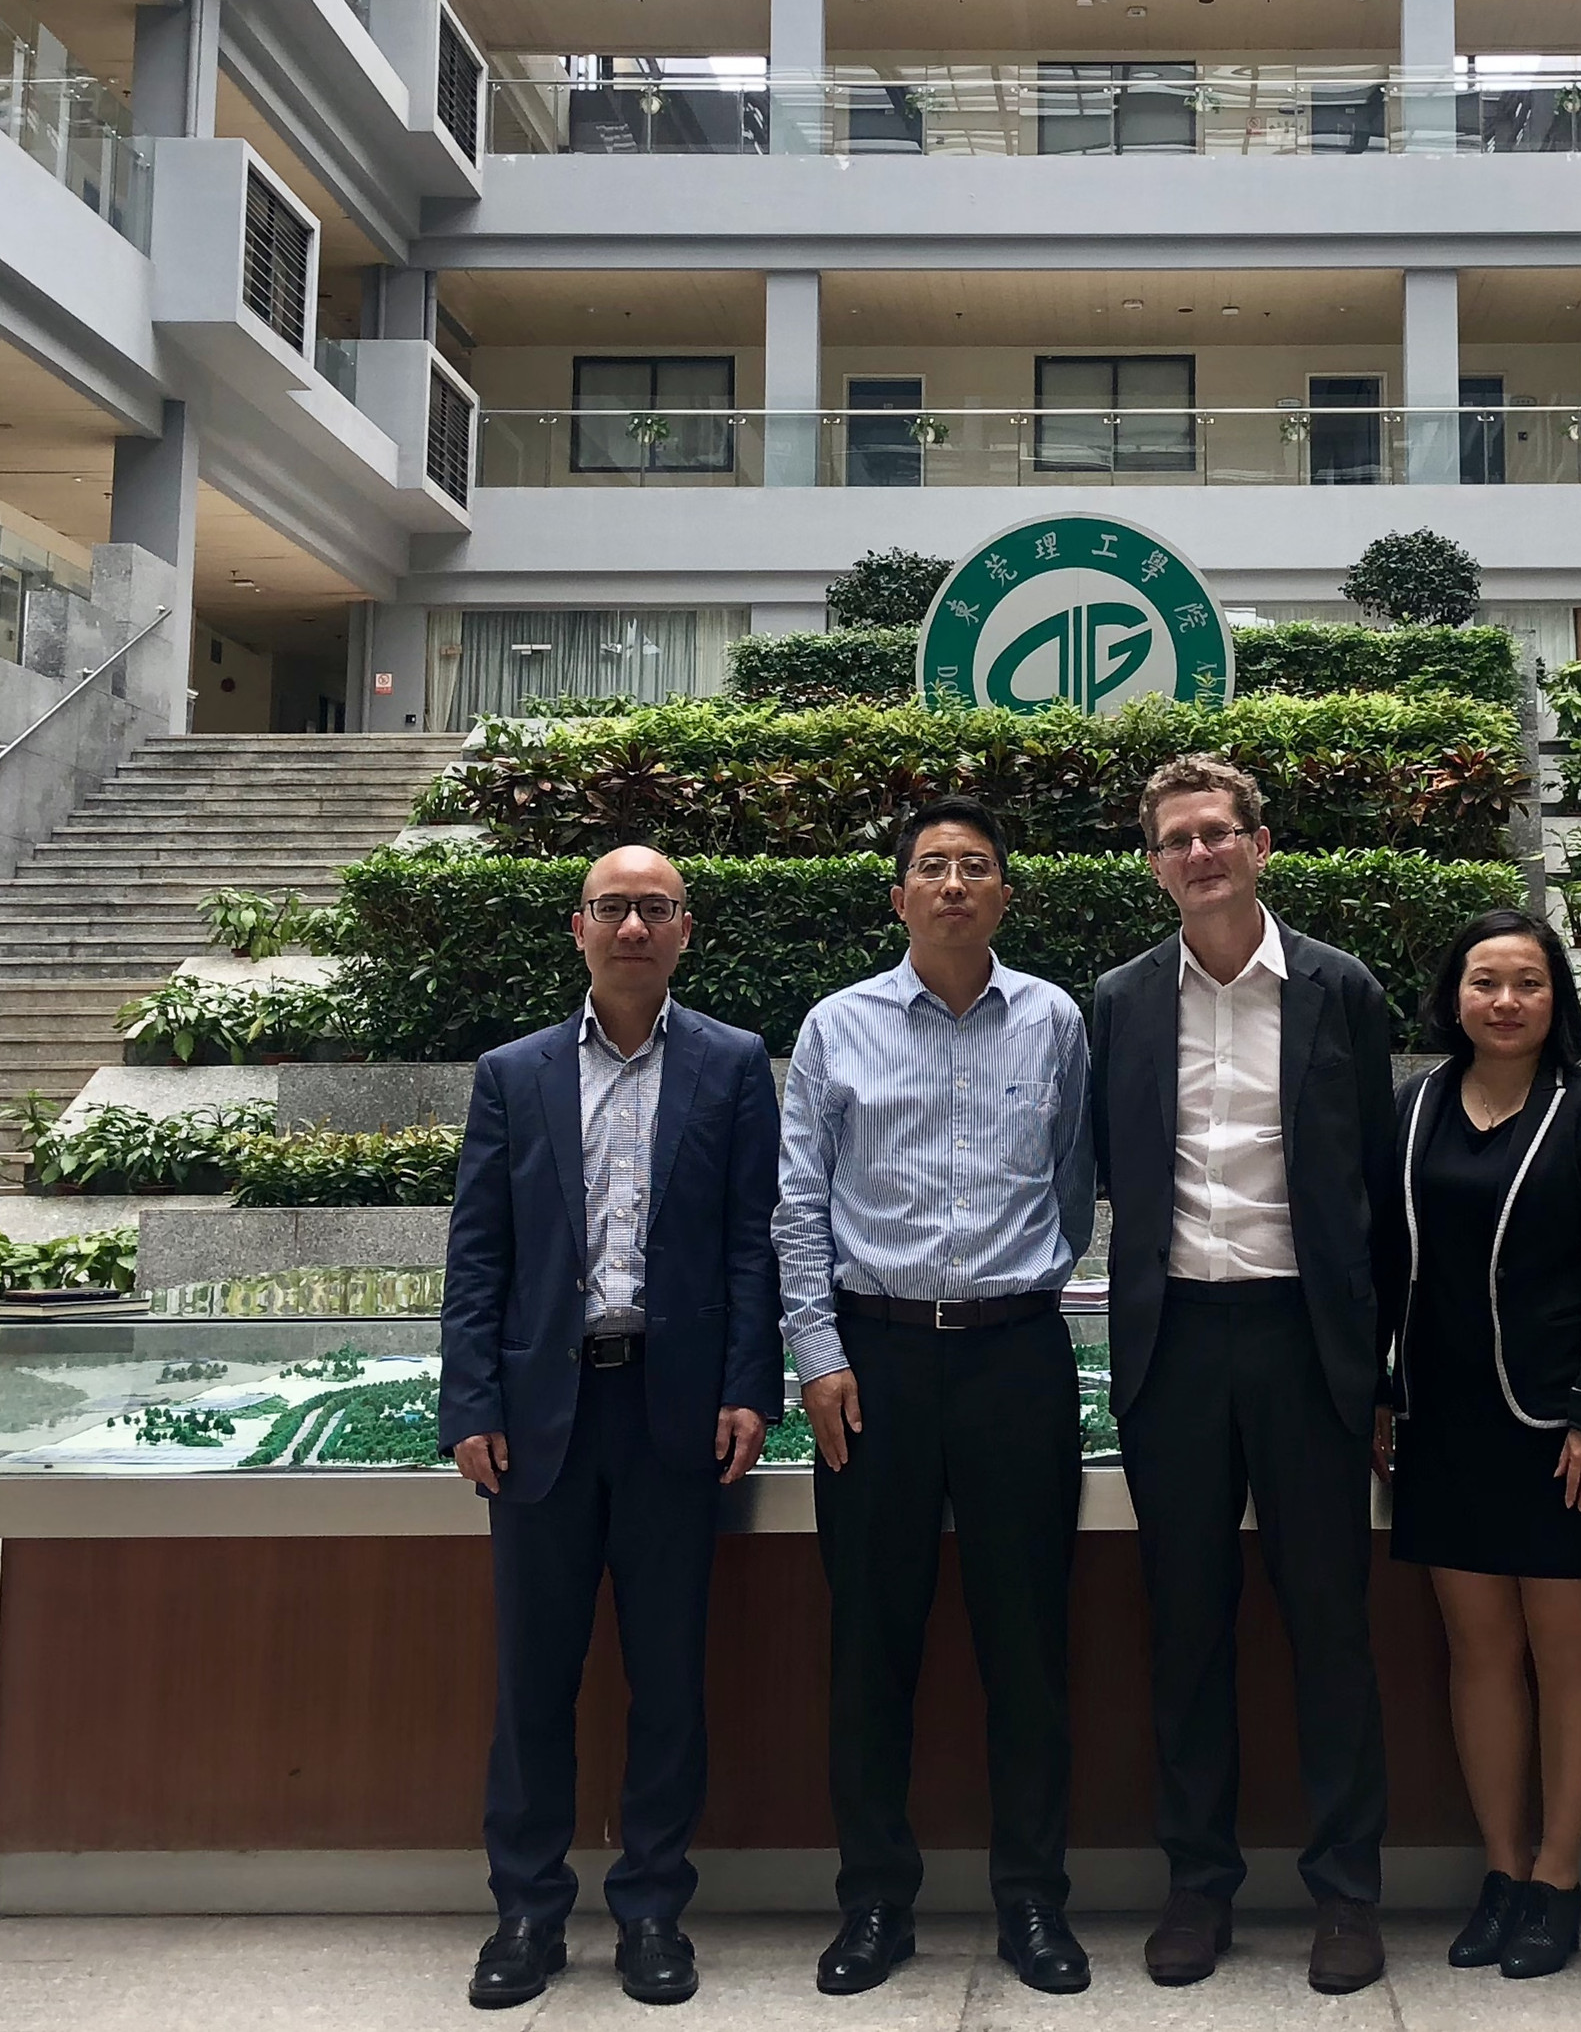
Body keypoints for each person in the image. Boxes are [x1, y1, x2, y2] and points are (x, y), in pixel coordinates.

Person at [439, 845, 784, 2011]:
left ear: (686, 927)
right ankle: (526, 1911)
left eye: (654, 907)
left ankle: (651, 1909)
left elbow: (752, 1241)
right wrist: (470, 1399)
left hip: (673, 1412)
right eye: (612, 907)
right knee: (532, 1678)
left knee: (668, 1675)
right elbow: (478, 1250)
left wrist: (750, 1385)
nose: (632, 925)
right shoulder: (513, 1072)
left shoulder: (732, 1064)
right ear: (578, 925)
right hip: (542, 1416)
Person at [775, 795, 1098, 1998]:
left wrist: (1021, 1289)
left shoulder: (1054, 1018)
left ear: (1005, 892)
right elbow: (797, 1203)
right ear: (899, 894)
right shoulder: (836, 1024)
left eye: (974, 865)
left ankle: (1034, 1899)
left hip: (1017, 1357)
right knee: (871, 1642)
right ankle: (874, 1901)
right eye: (931, 866)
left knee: (1029, 1642)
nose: (953, 883)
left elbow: (1075, 1181)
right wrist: (818, 1353)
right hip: (875, 1360)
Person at [1087, 753, 1396, 1996]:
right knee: (1185, 1624)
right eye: (1177, 840)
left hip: (1303, 1340)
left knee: (1329, 1624)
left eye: (1217, 832)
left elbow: (1376, 1185)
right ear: (1154, 864)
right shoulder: (1120, 998)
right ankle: (1197, 1884)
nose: (1200, 853)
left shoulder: (1339, 986)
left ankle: (1346, 1891)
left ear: (1260, 844)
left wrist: (1378, 1370)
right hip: (1174, 1346)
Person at [1377, 907, 1581, 1981]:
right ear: (1453, 996)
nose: (1504, 1001)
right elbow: (1384, 1258)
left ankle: (1557, 1874)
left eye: (1527, 983)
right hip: (1442, 1420)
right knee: (1478, 1647)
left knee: (1567, 1647)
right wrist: (1381, 1392)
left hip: (1558, 1428)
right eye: (1483, 981)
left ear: (1556, 999)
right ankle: (1500, 1870)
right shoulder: (1414, 1107)